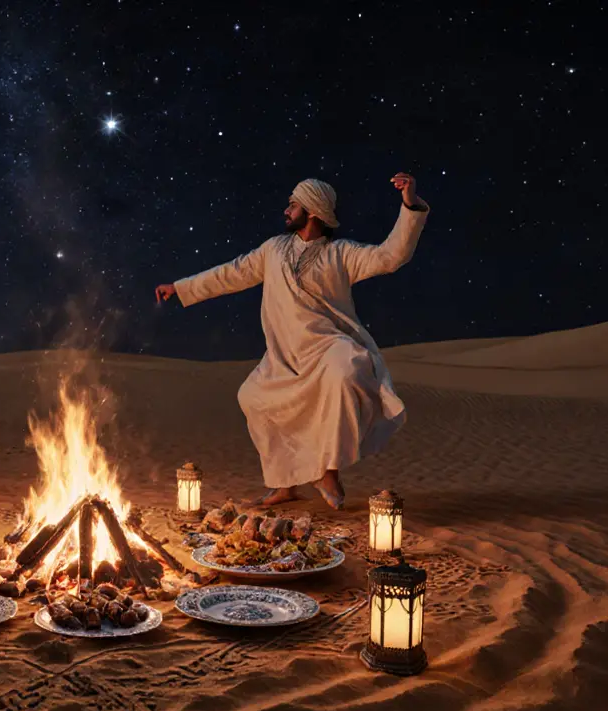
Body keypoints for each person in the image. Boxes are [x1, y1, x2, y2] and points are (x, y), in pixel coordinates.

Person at [155, 173, 430, 509]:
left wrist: (410, 205)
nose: (286, 210)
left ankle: (328, 469)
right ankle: (284, 484)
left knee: (347, 370)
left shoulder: (341, 254)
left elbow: (391, 256)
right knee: (252, 397)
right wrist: (181, 288)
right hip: (285, 354)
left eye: (293, 204)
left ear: (312, 211)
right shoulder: (273, 249)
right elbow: (231, 273)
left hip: (327, 346)